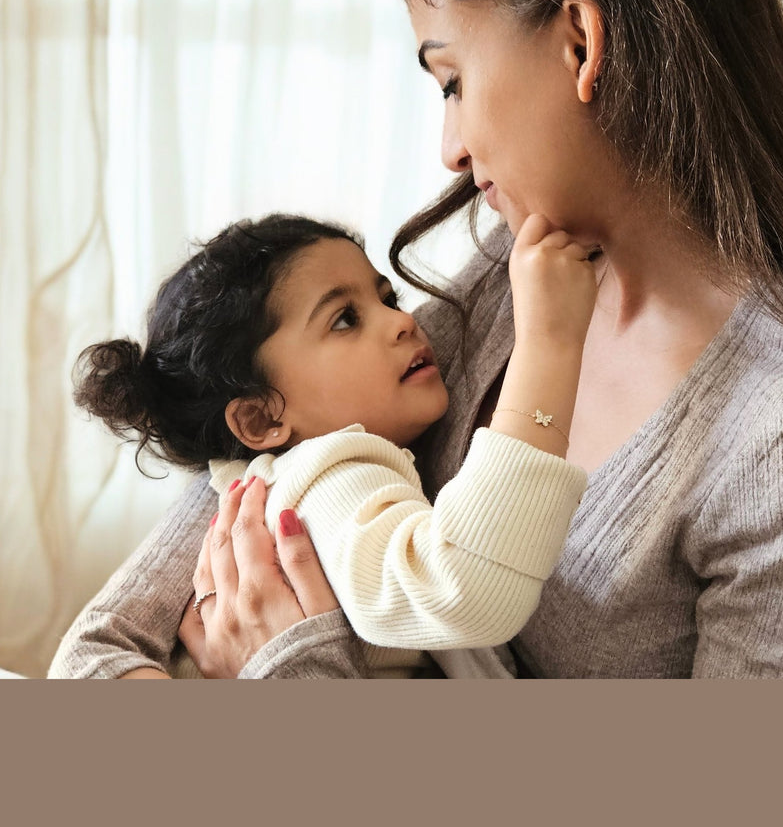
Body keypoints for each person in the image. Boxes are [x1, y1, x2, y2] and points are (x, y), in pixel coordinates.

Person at [54, 0, 783, 679]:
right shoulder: (511, 275)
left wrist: (290, 681)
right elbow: (100, 656)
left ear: (579, 38)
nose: (451, 149)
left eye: (452, 79)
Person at [49, 211, 596, 678]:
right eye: (345, 319)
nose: (404, 321)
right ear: (261, 420)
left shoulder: (277, 480)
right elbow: (461, 589)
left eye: (387, 298)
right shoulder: (333, 473)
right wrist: (549, 346)